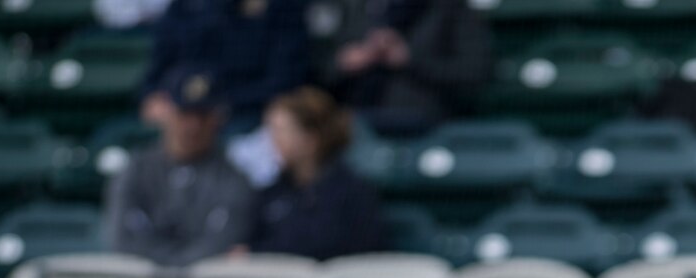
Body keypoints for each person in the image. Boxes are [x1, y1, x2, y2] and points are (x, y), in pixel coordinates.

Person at [106, 66, 257, 267]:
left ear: (217, 118)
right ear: (165, 111)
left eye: (202, 116)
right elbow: (124, 241)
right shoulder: (135, 171)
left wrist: (175, 270)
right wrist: (170, 269)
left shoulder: (233, 179)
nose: (193, 126)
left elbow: (222, 244)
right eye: (184, 113)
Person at [248, 88, 387, 260]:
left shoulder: (353, 193)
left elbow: (345, 248)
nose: (273, 140)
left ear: (310, 140)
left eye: (282, 131)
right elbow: (252, 244)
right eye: (271, 131)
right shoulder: (272, 193)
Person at [322, 0, 492, 138]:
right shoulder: (356, 8)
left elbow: (475, 71)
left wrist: (409, 60)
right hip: (355, 121)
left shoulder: (450, 8)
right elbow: (322, 71)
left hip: (422, 125)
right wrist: (348, 61)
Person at [140, 0, 311, 131]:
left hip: (249, 116)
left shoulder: (282, 8)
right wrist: (153, 95)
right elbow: (159, 66)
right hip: (186, 107)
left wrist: (224, 103)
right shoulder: (186, 7)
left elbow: (284, 81)